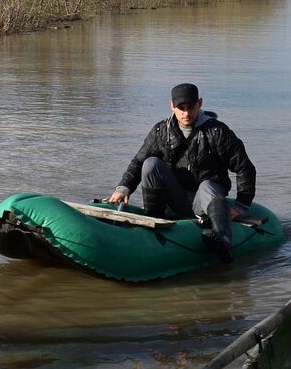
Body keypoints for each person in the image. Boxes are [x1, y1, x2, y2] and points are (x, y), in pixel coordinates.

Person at [108, 83, 256, 263]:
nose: (186, 113)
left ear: (199, 103)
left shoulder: (217, 132)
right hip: (175, 199)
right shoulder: (161, 131)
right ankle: (153, 223)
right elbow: (138, 162)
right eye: (181, 108)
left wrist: (241, 205)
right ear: (172, 106)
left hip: (205, 199)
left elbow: (244, 167)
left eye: (191, 107)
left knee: (208, 185)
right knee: (150, 163)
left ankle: (222, 238)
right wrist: (124, 188)